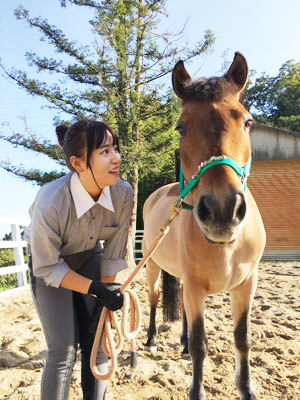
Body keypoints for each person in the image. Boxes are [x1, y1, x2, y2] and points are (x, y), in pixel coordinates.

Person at [25, 119, 134, 400]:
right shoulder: (51, 202)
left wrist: (107, 293)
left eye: (116, 149)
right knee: (63, 349)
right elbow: (47, 265)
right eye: (105, 152)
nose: (117, 158)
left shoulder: (123, 194)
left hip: (89, 256)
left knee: (97, 342)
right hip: (50, 266)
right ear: (79, 163)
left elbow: (112, 251)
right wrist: (94, 289)